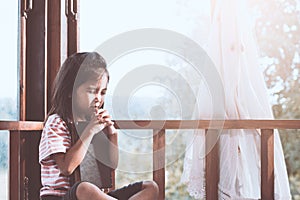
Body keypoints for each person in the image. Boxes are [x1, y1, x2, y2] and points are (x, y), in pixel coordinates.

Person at [181, 0, 291, 199]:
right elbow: (231, 49)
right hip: (226, 102)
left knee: (237, 165)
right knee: (233, 163)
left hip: (231, 100)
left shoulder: (231, 15)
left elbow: (233, 48)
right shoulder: (225, 18)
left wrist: (234, 101)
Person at [39, 52, 159, 200]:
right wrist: (90, 131)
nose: (98, 99)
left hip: (96, 195)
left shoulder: (93, 121)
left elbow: (111, 165)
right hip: (61, 197)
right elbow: (67, 168)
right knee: (84, 188)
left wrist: (112, 133)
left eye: (102, 92)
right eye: (91, 91)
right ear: (70, 91)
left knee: (150, 187)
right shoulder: (57, 122)